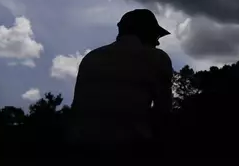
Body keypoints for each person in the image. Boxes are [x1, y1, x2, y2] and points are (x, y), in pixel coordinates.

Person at [68, 9, 173, 158]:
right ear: (144, 32)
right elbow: (163, 111)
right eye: (155, 35)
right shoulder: (157, 57)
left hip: (81, 149)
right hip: (130, 149)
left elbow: (77, 107)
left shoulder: (91, 58)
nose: (158, 41)